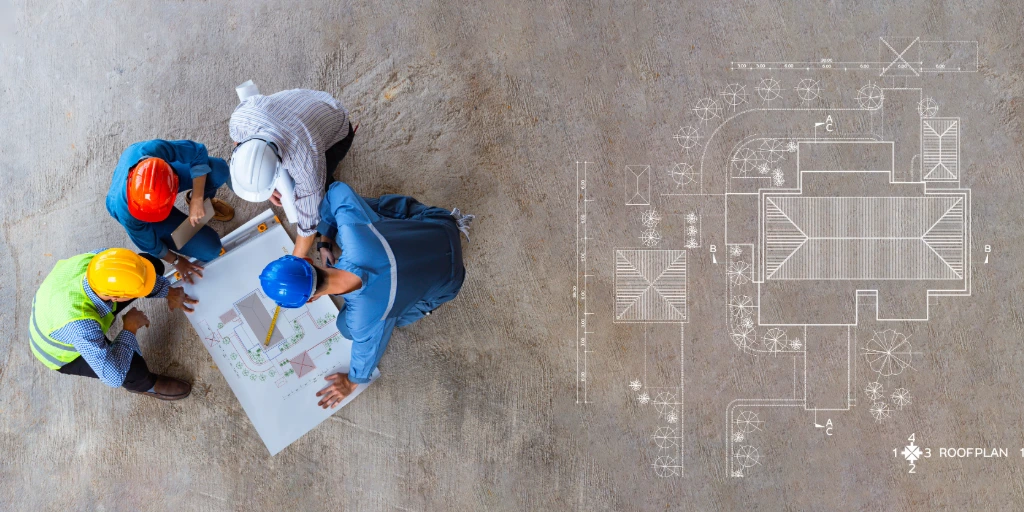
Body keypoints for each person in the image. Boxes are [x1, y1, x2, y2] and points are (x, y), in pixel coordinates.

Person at [258, 183, 474, 408]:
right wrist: (325, 236)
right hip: (442, 225)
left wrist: (352, 381)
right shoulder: (354, 232)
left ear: (310, 299)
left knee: (348, 327)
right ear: (308, 260)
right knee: (357, 215)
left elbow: (367, 354)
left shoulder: (362, 320)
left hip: (451, 281)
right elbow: (336, 190)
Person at [28, 248, 197, 400]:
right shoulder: (82, 326)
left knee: (150, 266)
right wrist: (130, 328)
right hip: (57, 351)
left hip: (54, 305)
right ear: (115, 297)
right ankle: (145, 385)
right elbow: (113, 376)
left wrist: (169, 292)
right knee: (130, 369)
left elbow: (138, 276)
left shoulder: (100, 260)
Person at [228, 86, 355, 259]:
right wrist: (264, 185)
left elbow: (308, 225)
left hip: (336, 123)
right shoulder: (240, 119)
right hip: (304, 103)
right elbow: (238, 142)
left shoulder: (305, 161)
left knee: (312, 192)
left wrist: (294, 261)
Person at [105, 139, 235, 284]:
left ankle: (201, 202)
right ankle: (192, 211)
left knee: (218, 170)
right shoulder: (127, 213)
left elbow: (198, 152)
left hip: (161, 177)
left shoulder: (154, 150)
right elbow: (149, 244)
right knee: (211, 249)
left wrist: (197, 198)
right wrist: (176, 261)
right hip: (136, 207)